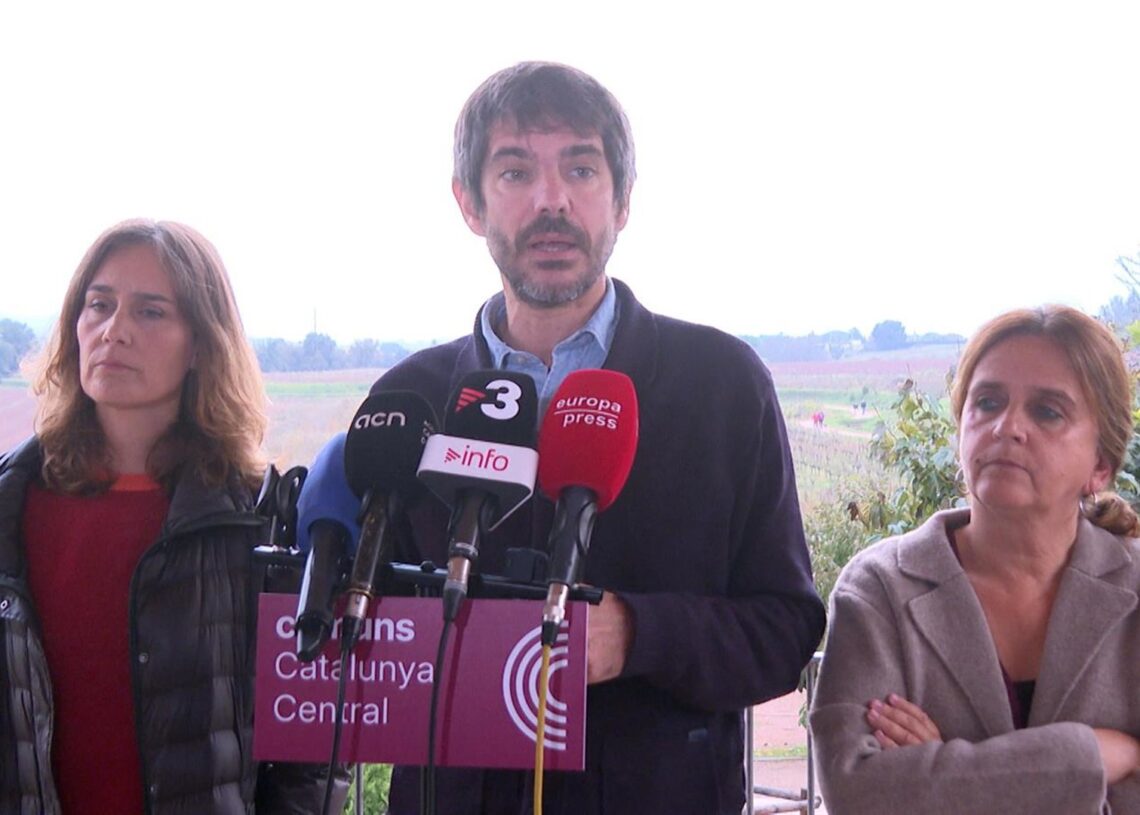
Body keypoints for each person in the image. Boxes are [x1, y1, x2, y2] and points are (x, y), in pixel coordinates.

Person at [373, 61, 825, 815]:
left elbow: (784, 630)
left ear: (622, 201)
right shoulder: (408, 400)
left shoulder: (722, 385)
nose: (553, 200)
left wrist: (636, 634)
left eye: (580, 168)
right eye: (515, 171)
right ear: (470, 203)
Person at [0, 219, 346, 813]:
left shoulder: (260, 518)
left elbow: (308, 745)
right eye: (99, 306)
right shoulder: (11, 502)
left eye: (151, 312)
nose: (114, 331)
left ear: (201, 345)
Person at [810, 305, 1140, 814]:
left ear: (1100, 464)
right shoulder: (880, 589)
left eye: (1047, 411)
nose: (1007, 427)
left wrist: (939, 771)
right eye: (987, 402)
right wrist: (1093, 756)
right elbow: (857, 792)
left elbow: (897, 795)